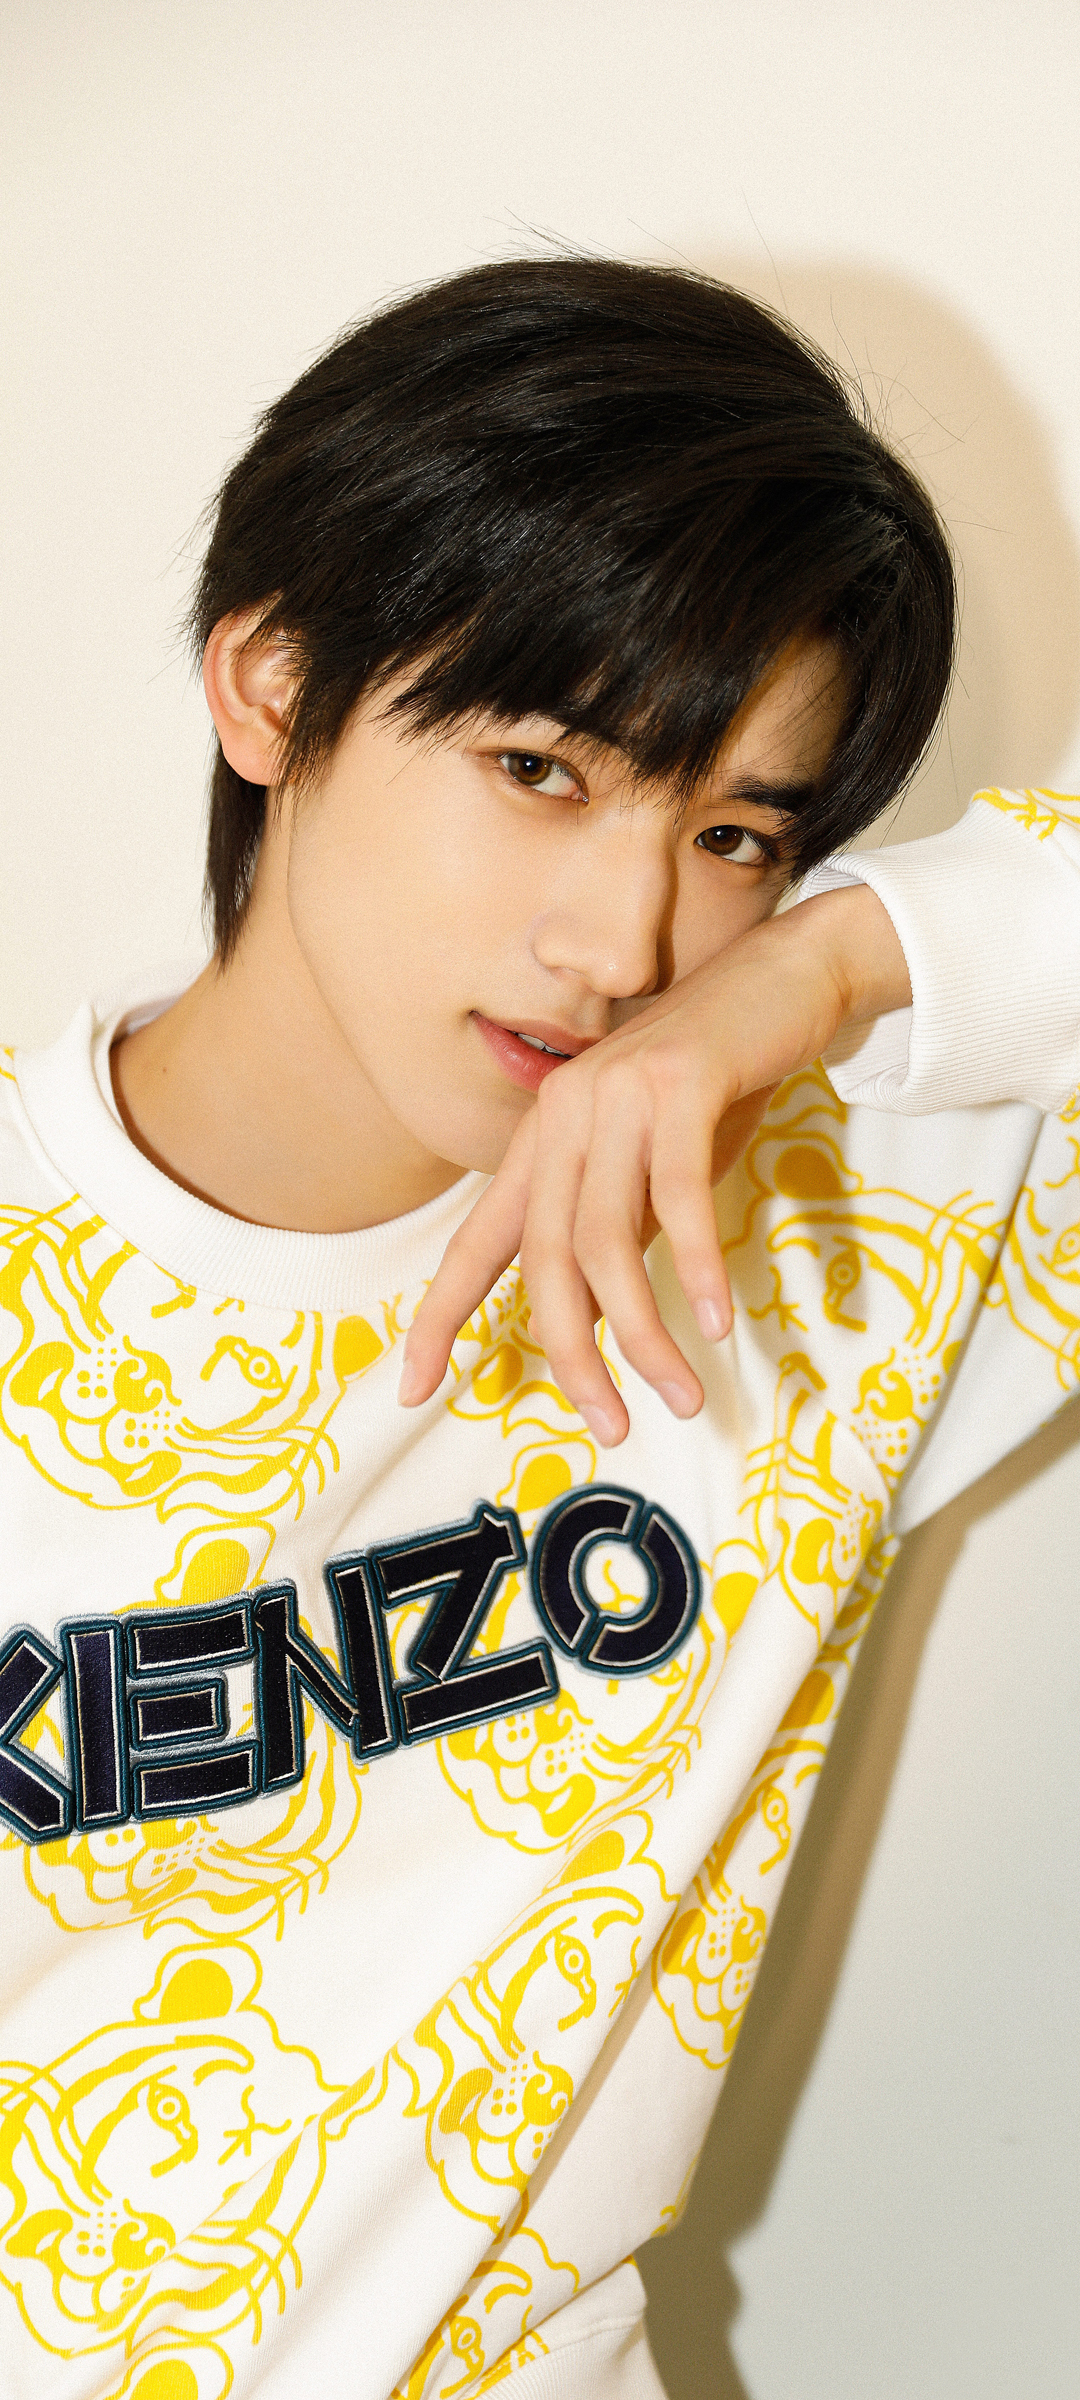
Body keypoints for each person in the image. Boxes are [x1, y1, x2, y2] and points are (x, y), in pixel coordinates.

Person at [0, 258, 1076, 2400]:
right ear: (273, 688)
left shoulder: (822, 1229)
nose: (624, 940)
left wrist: (829, 966)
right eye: (540, 768)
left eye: (736, 833)